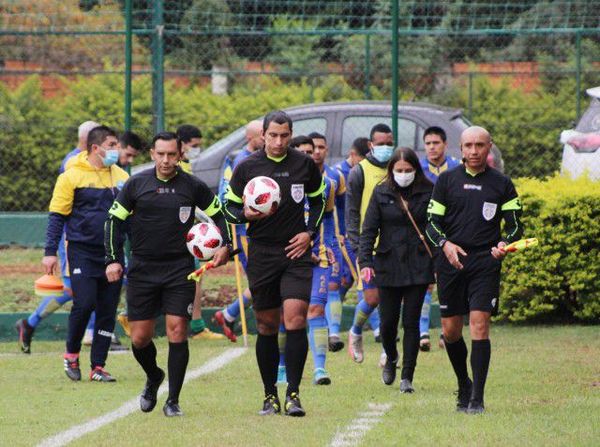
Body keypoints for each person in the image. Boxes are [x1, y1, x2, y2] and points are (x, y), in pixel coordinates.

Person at [104, 131, 232, 417]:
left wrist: (227, 244)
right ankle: (153, 376)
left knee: (177, 330)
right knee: (139, 338)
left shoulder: (192, 186)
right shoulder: (136, 184)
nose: (165, 160)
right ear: (151, 154)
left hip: (179, 270)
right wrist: (113, 259)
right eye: (160, 154)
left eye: (171, 154)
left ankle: (173, 400)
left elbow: (219, 214)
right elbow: (113, 221)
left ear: (180, 155)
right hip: (143, 269)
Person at [223, 110, 325, 417]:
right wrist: (245, 215)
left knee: (295, 318)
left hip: (295, 253)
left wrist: (309, 234)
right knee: (266, 325)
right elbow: (228, 207)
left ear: (290, 135)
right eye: (273, 136)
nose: (278, 142)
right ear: (263, 136)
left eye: (284, 136)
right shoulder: (247, 167)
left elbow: (319, 200)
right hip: (262, 253)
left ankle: (293, 394)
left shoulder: (304, 164)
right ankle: (270, 395)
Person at [426, 126, 523, 414]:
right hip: (451, 262)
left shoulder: (502, 184)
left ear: (489, 146)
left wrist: (505, 243)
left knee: (480, 324)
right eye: (468, 145)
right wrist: (445, 245)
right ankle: (464, 384)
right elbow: (431, 225)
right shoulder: (446, 181)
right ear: (460, 147)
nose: (474, 151)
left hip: (484, 263)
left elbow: (516, 226)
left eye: (480, 145)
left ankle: (477, 399)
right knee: (451, 331)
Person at [42, 125, 129, 382]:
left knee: (107, 309)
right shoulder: (70, 176)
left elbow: (131, 218)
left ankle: (98, 367)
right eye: (112, 145)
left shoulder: (122, 177)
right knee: (85, 303)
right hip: (81, 250)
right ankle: (71, 354)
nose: (117, 150)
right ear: (95, 148)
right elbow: (57, 216)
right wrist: (50, 252)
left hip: (113, 252)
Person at [16, 120, 100, 354]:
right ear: (89, 140)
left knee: (86, 285)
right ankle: (33, 324)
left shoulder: (89, 160)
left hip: (86, 237)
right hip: (72, 237)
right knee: (75, 287)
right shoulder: (74, 162)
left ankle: (31, 324)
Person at [359, 148, 435, 393]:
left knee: (411, 322)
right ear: (392, 170)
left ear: (416, 169)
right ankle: (391, 357)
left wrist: (438, 264)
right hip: (388, 263)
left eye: (408, 170)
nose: (403, 175)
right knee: (388, 322)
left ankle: (407, 377)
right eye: (399, 171)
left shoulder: (429, 191)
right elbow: (369, 230)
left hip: (419, 264)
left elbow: (437, 228)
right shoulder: (381, 192)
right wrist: (365, 262)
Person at [345, 123, 394, 364]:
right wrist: (357, 248)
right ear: (371, 145)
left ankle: (388, 349)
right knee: (374, 298)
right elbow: (352, 213)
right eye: (381, 144)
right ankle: (355, 331)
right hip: (368, 248)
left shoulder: (399, 168)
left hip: (394, 247)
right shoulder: (359, 172)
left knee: (390, 300)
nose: (385, 148)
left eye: (389, 143)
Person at [292, 135, 337, 385]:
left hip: (318, 256)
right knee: (286, 314)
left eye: (312, 151)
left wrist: (328, 245)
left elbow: (328, 219)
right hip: (288, 255)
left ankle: (320, 369)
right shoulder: (281, 184)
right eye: (303, 152)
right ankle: (281, 367)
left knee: (316, 309)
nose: (310, 156)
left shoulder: (327, 184)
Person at [214, 120, 265, 341]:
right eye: (262, 134)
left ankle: (229, 313)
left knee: (265, 278)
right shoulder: (242, 161)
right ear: (250, 138)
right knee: (262, 278)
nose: (266, 138)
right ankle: (230, 314)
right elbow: (232, 197)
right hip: (245, 230)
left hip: (265, 229)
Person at [307, 132, 349, 353]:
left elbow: (340, 208)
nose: (316, 151)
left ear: (326, 150)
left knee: (333, 285)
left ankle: (333, 332)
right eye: (312, 148)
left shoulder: (335, 177)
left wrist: (341, 235)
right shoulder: (295, 178)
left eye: (321, 147)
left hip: (329, 241)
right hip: (302, 244)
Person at [419, 126, 460, 351]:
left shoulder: (456, 168)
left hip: (450, 235)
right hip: (424, 236)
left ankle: (447, 332)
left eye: (436, 143)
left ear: (444, 144)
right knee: (426, 283)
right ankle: (423, 332)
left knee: (448, 282)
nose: (432, 147)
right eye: (428, 143)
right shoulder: (418, 170)